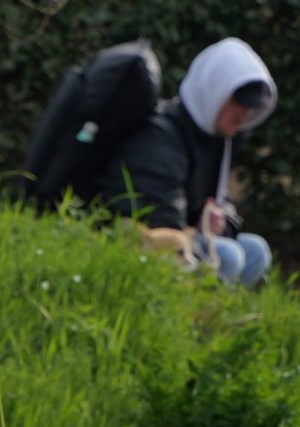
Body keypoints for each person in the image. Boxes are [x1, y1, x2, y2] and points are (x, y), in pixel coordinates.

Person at [114, 39, 278, 286]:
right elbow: (161, 224)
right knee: (228, 256)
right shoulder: (162, 137)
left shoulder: (218, 136)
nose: (243, 115)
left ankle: (216, 306)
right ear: (214, 92)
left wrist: (220, 224)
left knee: (257, 250)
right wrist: (203, 229)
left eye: (250, 108)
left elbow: (220, 202)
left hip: (188, 234)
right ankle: (196, 305)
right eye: (238, 104)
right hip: (157, 241)